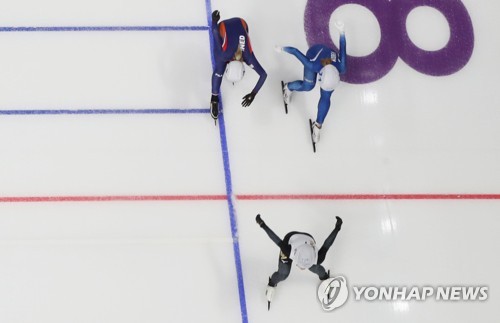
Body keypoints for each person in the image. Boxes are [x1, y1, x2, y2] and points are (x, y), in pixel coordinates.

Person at [277, 20, 346, 143]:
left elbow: (343, 49)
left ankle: (318, 126)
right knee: (308, 85)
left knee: (326, 97)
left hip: (327, 62)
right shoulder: (313, 65)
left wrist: (342, 31)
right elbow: (295, 51)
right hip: (314, 53)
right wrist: (282, 49)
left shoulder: (341, 67)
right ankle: (288, 87)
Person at [256, 214, 343, 308]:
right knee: (283, 273)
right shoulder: (289, 250)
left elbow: (327, 244)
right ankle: (272, 283)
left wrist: (337, 227)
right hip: (290, 239)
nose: (302, 269)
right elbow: (276, 239)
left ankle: (324, 277)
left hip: (308, 240)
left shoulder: (317, 258)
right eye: (302, 266)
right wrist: (262, 225)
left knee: (316, 268)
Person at [210, 10, 267, 121]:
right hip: (232, 24)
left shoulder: (248, 57)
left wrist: (253, 93)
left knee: (219, 66)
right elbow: (215, 32)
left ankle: (214, 98)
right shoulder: (223, 56)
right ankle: (214, 98)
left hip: (242, 23)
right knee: (219, 68)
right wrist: (214, 22)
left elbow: (264, 75)